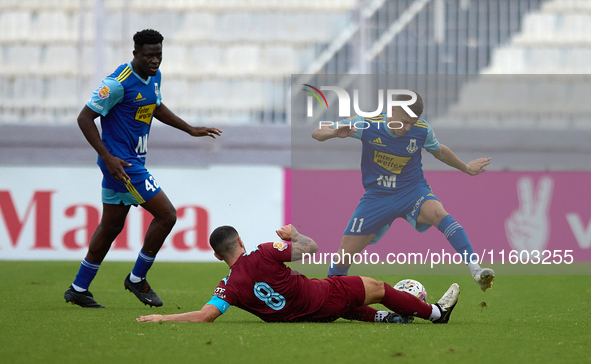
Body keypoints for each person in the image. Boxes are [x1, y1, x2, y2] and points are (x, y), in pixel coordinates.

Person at [64, 29, 222, 308]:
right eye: (149, 55)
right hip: (123, 164)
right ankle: (137, 279)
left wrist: (189, 129)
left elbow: (154, 106)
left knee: (111, 226)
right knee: (167, 215)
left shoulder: (154, 77)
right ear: (135, 53)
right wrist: (107, 156)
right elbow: (84, 118)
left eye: (159, 55)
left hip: (128, 162)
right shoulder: (117, 84)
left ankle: (78, 288)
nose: (155, 60)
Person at [311, 91, 495, 291]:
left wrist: (466, 168)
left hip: (412, 190)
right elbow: (317, 133)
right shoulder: (367, 124)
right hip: (378, 197)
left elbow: (440, 151)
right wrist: (333, 132)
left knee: (439, 214)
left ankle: (476, 269)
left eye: (412, 123)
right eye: (404, 121)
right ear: (392, 110)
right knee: (345, 254)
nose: (407, 128)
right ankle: (330, 294)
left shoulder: (422, 130)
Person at [136, 224, 460, 324]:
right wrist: (293, 236)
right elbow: (313, 248)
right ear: (241, 242)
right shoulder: (263, 251)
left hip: (304, 317)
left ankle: (386, 319)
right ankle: (435, 313)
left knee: (346, 301)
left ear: (218, 255)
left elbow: (205, 316)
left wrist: (163, 319)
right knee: (374, 286)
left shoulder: (227, 287)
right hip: (320, 298)